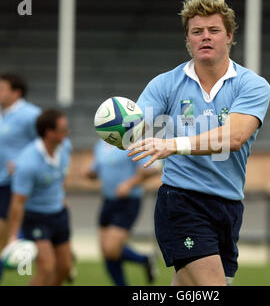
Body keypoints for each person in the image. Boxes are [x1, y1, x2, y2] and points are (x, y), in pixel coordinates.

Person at [128, 0, 270, 286]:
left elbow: (234, 137)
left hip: (229, 205)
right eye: (197, 32)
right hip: (181, 202)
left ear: (229, 36)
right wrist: (117, 126)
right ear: (188, 40)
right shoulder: (165, 84)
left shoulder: (252, 85)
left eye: (214, 30)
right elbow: (134, 128)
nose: (205, 37)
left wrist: (172, 144)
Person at [7, 109, 73, 286]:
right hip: (36, 218)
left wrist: (60, 195)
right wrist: (13, 236)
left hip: (59, 214)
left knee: (65, 268)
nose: (67, 132)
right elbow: (17, 202)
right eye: (63, 129)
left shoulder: (65, 147)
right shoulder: (28, 162)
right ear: (49, 133)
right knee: (46, 268)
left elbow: (60, 176)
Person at [85, 139, 159, 286]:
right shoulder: (100, 144)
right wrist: (90, 173)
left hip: (128, 202)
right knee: (106, 252)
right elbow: (96, 169)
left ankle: (144, 259)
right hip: (107, 201)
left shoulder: (130, 143)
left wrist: (129, 184)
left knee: (112, 248)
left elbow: (153, 169)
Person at [0, 74, 41, 281]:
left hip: (14, 184)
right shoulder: (2, 114)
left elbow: (45, 144)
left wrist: (23, 163)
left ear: (16, 92)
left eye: (2, 88)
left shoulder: (31, 115)